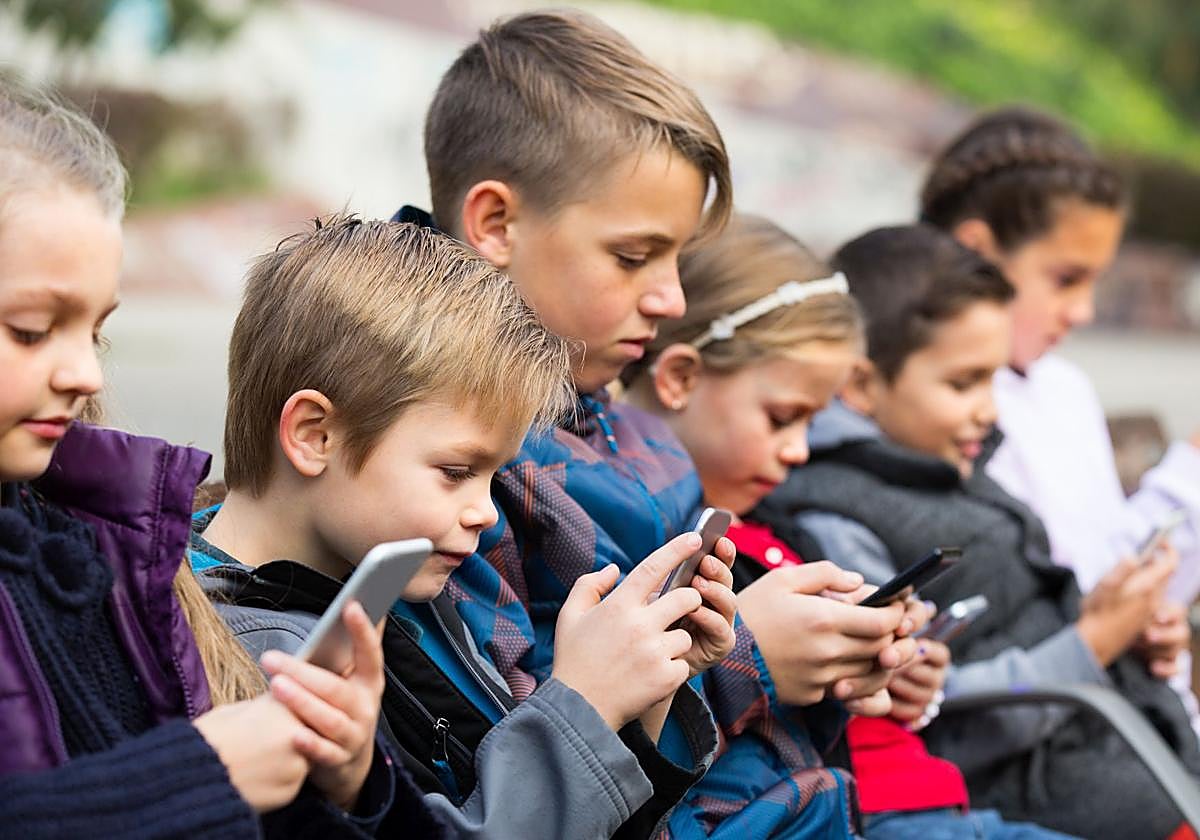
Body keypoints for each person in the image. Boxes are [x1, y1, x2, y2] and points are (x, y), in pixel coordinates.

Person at [391, 10, 919, 837]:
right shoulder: (445, 456)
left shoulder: (623, 423)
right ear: (495, 224)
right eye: (634, 258)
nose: (671, 299)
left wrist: (833, 654)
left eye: (678, 261)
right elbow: (514, 747)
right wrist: (753, 659)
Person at [192, 214, 732, 839]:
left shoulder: (401, 584)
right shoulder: (253, 662)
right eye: (455, 470)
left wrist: (641, 700)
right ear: (316, 436)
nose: (487, 511)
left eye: (493, 474)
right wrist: (584, 707)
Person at [0, 76, 408, 838]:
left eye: (95, 332)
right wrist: (195, 778)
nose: (85, 374)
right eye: (30, 330)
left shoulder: (94, 543)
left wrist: (347, 781)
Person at [624, 213, 1072, 840]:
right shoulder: (645, 542)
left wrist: (879, 666)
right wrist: (760, 654)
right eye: (782, 418)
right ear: (679, 378)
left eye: (811, 421)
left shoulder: (777, 530)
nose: (800, 450)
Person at [757, 223, 1199, 838]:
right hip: (1057, 798)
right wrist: (1094, 641)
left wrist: (1125, 628)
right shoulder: (830, 515)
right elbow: (919, 710)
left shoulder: (948, 460)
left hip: (1132, 754)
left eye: (993, 379)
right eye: (962, 383)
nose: (988, 409)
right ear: (859, 385)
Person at [920, 109, 1199, 714]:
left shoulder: (1062, 387)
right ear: (976, 253)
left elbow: (1104, 563)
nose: (1083, 312)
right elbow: (1057, 609)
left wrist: (1150, 619)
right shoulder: (939, 412)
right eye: (1066, 279)